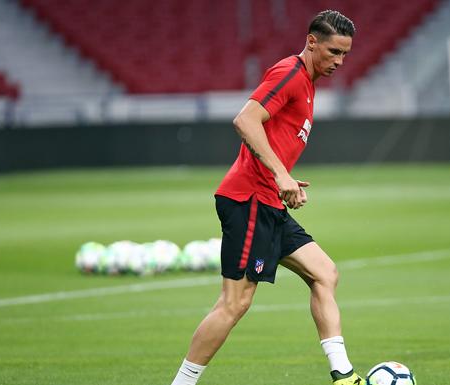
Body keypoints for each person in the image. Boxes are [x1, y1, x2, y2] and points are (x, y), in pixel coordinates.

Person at [170, 10, 363, 385]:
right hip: (248, 200)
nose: (339, 62)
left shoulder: (308, 83)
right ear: (311, 42)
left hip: (269, 201)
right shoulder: (289, 74)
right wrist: (281, 174)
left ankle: (343, 374)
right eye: (334, 52)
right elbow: (245, 119)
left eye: (345, 55)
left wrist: (283, 179)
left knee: (325, 273)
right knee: (235, 303)